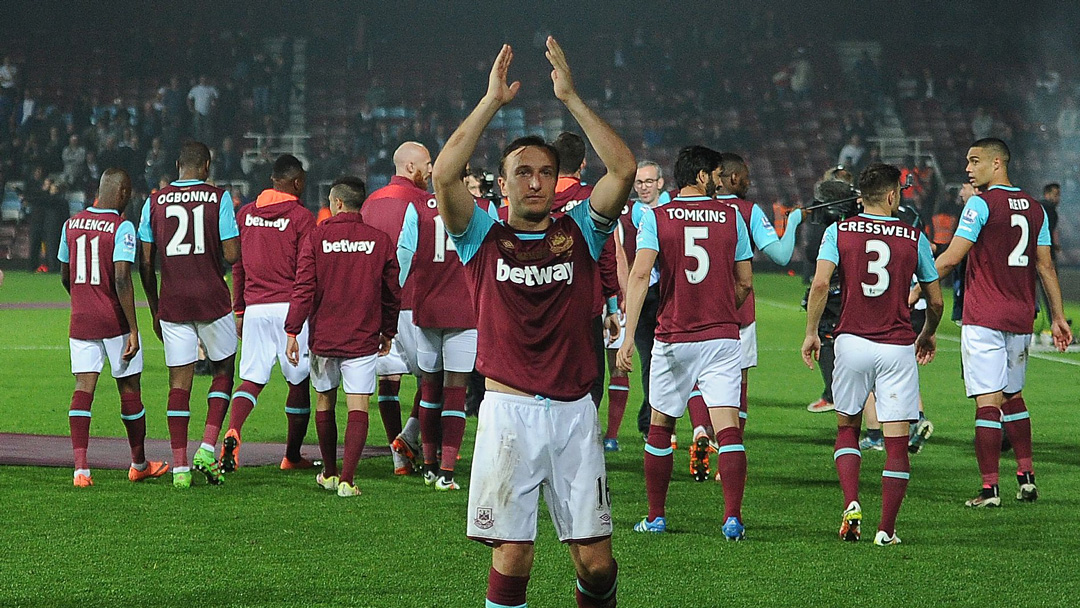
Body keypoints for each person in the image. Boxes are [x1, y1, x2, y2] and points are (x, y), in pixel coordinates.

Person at [433, 39, 634, 608]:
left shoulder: (582, 233)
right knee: (513, 553)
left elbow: (621, 167)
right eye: (522, 172)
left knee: (595, 566)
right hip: (508, 413)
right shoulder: (481, 240)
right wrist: (491, 101)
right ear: (502, 185)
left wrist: (569, 96)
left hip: (574, 414)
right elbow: (445, 175)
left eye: (545, 172)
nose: (536, 181)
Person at [617, 145, 753, 539]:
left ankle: (656, 516)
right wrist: (724, 306)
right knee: (727, 428)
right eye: (715, 174)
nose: (720, 180)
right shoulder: (731, 217)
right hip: (722, 337)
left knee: (661, 425)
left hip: (675, 335)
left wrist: (629, 336)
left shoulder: (657, 218)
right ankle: (732, 518)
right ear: (700, 176)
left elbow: (640, 275)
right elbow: (745, 281)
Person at [803, 163, 942, 546]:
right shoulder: (914, 237)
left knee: (847, 427)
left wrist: (812, 332)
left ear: (861, 196)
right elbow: (935, 299)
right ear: (894, 195)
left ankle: (851, 502)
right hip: (896, 345)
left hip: (851, 343)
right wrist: (927, 333)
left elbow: (819, 285)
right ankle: (887, 530)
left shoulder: (838, 231)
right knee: (896, 443)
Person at [935, 139, 1072, 507]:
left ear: (997, 164)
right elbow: (1045, 265)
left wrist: (918, 285)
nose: (968, 168)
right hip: (1020, 316)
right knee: (1013, 396)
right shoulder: (1036, 209)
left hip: (984, 317)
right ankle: (1026, 477)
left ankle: (988, 488)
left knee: (987, 401)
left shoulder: (979, 204)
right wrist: (1058, 316)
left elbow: (951, 258)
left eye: (974, 161)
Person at [686, 152, 802, 478]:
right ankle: (728, 457)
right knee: (737, 385)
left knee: (696, 375)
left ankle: (699, 430)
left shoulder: (685, 209)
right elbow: (780, 256)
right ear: (734, 179)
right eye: (746, 177)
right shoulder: (746, 211)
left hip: (693, 309)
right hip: (736, 312)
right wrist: (792, 223)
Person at [284, 178, 400, 497]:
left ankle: (330, 472)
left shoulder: (317, 237)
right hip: (362, 336)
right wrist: (388, 331)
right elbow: (392, 292)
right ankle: (348, 480)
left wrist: (293, 330)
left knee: (325, 400)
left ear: (336, 203)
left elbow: (304, 286)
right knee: (357, 404)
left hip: (324, 336)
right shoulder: (380, 240)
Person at [138, 141, 240, 488]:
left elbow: (145, 262)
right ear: (206, 166)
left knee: (178, 383)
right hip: (212, 298)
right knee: (224, 367)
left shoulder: (153, 202)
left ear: (179, 165)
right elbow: (232, 253)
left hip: (174, 301)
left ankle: (180, 467)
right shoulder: (219, 198)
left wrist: (154, 308)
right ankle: (207, 448)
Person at [59, 169, 169, 487]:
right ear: (121, 194)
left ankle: (81, 469)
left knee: (83, 389)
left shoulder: (71, 224)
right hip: (114, 321)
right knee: (130, 390)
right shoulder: (121, 227)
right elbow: (122, 277)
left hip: (81, 321)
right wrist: (134, 329)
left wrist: (82, 300)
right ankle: (138, 464)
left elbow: (65, 275)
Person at [221, 154, 317, 473]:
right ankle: (291, 455)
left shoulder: (246, 214)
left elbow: (238, 265)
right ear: (296, 182)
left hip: (255, 308)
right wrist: (302, 316)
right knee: (299, 382)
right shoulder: (302, 217)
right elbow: (306, 272)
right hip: (290, 307)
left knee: (250, 379)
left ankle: (234, 430)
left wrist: (239, 309)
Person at [397, 176, 477, 490]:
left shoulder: (417, 207)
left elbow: (404, 254)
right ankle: (446, 472)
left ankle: (429, 465)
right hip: (465, 310)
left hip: (427, 309)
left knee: (429, 391)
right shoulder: (481, 208)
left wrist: (394, 298)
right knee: (456, 392)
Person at [361, 143, 431, 475]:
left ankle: (398, 454)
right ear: (411, 168)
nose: (431, 171)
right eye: (428, 164)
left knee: (388, 378)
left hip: (379, 304)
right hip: (416, 301)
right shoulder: (422, 203)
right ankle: (410, 438)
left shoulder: (370, 202)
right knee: (434, 376)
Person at [550, 131, 623, 414]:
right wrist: (613, 306)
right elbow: (607, 255)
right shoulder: (593, 200)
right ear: (582, 164)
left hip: (542, 303)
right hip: (585, 307)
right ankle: (585, 446)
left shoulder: (535, 198)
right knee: (589, 381)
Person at [625, 161, 672, 441]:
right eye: (639, 182)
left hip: (669, 293)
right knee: (650, 361)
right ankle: (651, 422)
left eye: (649, 182)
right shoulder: (634, 213)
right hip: (646, 296)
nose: (643, 187)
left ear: (660, 183)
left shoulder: (670, 209)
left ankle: (660, 418)